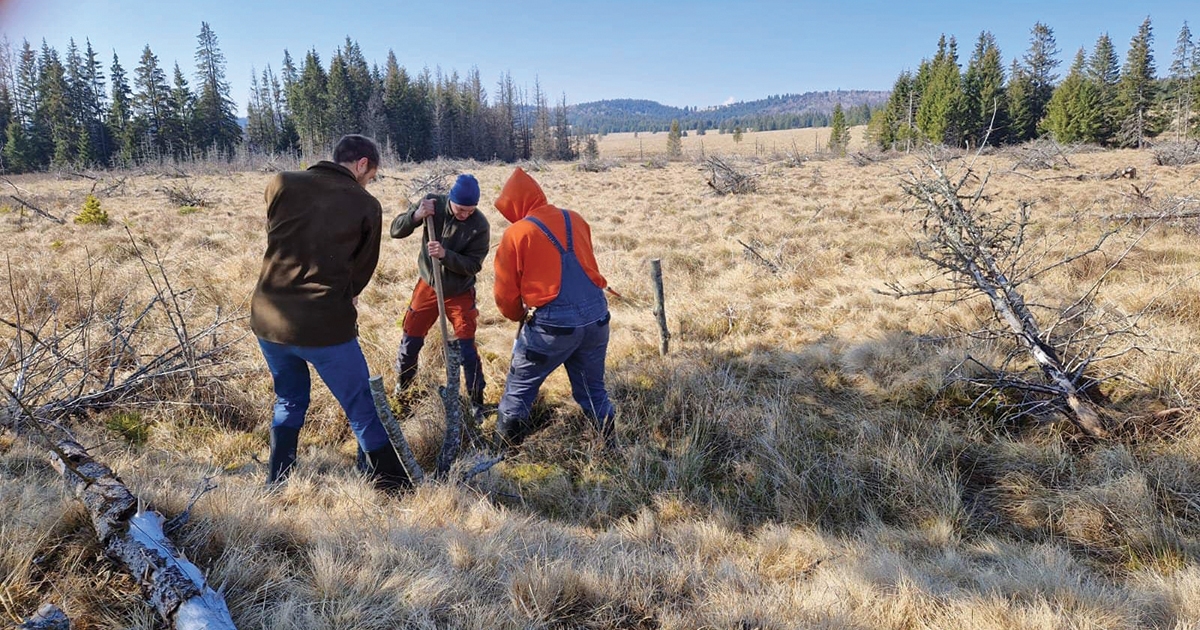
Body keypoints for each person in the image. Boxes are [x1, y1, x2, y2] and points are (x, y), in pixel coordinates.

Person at [250, 134, 409, 491]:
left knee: (288, 398)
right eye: (372, 175)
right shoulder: (365, 204)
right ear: (362, 164)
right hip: (323, 325)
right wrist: (343, 294)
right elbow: (361, 272)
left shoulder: (281, 183)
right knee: (360, 406)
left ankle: (278, 481)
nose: (370, 181)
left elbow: (276, 233)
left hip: (268, 318)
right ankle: (394, 487)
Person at [491, 167, 615, 448]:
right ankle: (609, 450)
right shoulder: (576, 219)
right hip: (597, 318)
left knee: (518, 390)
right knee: (594, 391)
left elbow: (505, 295)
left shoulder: (517, 233)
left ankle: (505, 457)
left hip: (553, 327)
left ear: (516, 204)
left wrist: (518, 315)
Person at [389, 174, 490, 413]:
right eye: (461, 209)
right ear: (451, 200)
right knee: (410, 340)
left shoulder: (480, 225)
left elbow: (474, 265)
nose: (465, 214)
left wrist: (446, 255)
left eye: (470, 210)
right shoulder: (432, 205)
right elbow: (395, 230)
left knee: (466, 347)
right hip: (429, 286)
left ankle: (476, 400)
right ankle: (403, 389)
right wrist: (415, 216)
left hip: (459, 291)